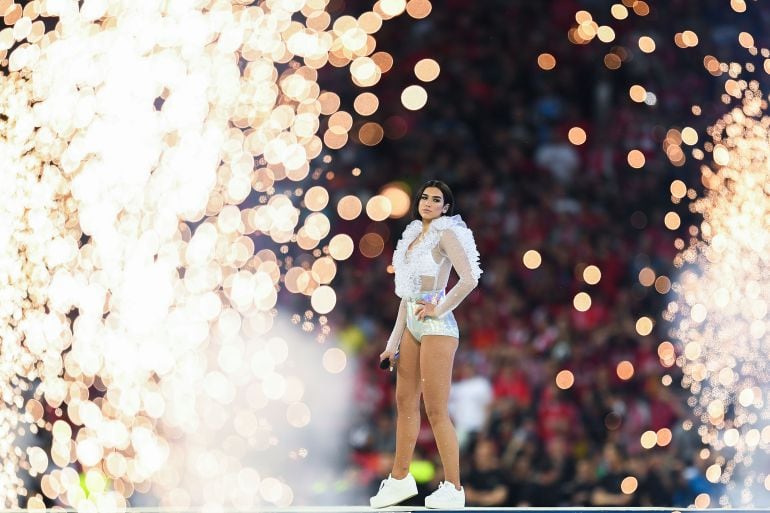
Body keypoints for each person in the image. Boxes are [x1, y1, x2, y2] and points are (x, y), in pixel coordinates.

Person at [369, 180, 482, 509]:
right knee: (405, 403)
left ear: (446, 207)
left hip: (437, 325)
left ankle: (454, 487)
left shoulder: (446, 234)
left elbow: (470, 278)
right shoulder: (412, 237)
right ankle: (400, 478)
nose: (429, 203)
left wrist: (440, 307)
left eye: (437, 200)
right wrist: (392, 344)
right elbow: (406, 298)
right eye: (425, 197)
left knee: (435, 408)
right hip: (412, 323)